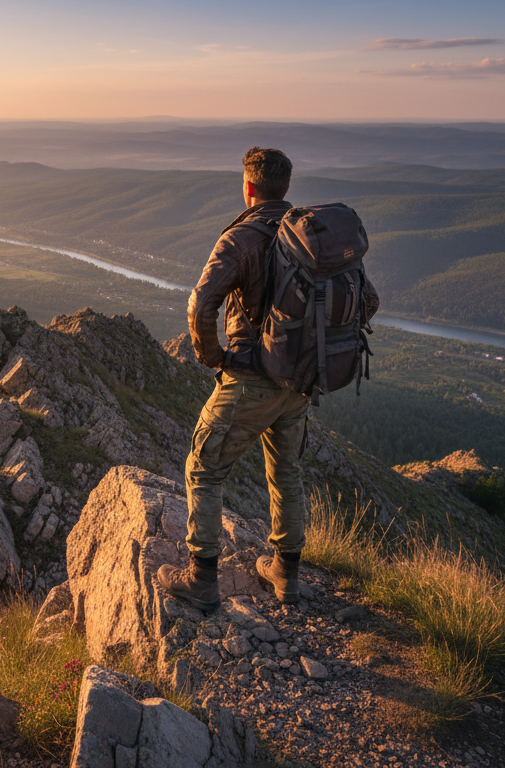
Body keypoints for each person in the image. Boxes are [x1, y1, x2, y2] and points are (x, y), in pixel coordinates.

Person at [157, 146, 375, 610]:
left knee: (204, 466)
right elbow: (368, 301)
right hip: (299, 381)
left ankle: (201, 579)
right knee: (287, 472)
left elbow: (200, 305)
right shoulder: (312, 237)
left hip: (250, 378)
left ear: (249, 187)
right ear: (286, 187)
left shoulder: (241, 239)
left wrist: (214, 357)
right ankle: (286, 575)